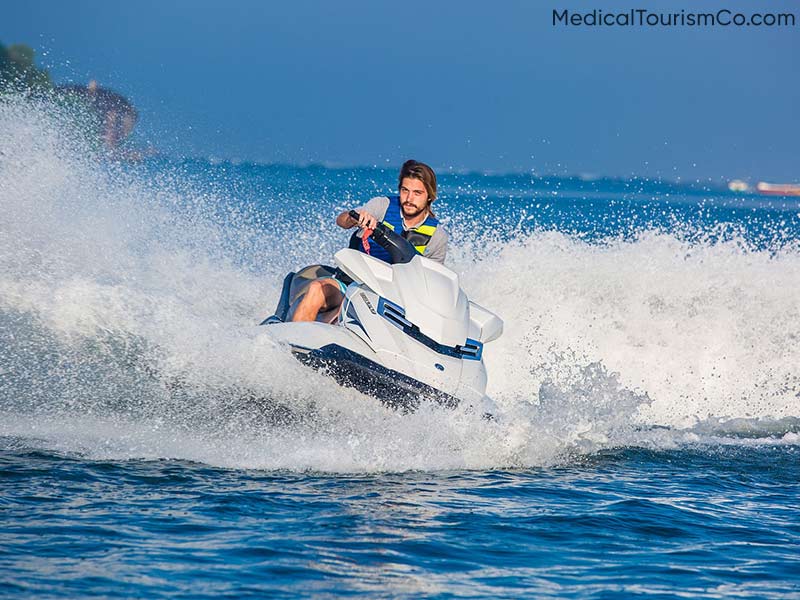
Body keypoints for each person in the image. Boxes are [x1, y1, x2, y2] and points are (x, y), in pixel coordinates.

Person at [291, 159, 448, 322]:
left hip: (393, 303)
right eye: (404, 190)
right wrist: (355, 218)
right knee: (317, 289)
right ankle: (290, 344)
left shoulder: (437, 236)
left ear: (430, 196)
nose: (409, 198)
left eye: (417, 193)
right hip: (351, 285)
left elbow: (433, 287)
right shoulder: (382, 206)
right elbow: (342, 220)